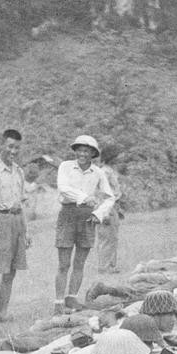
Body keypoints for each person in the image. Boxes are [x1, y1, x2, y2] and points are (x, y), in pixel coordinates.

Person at [54, 134, 117, 314]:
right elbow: (63, 188)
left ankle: (72, 298)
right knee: (64, 263)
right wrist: (84, 198)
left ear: (93, 154)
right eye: (80, 150)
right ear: (75, 151)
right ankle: (58, 302)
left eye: (87, 151)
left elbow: (109, 197)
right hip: (67, 213)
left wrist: (99, 213)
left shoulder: (98, 172)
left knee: (80, 262)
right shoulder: (65, 166)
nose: (83, 154)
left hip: (87, 217)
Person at [0, 129, 30, 322]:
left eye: (17, 148)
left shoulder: (18, 171)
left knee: (11, 270)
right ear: (1, 145)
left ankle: (3, 312)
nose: (13, 151)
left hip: (17, 221)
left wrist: (26, 232)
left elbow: (21, 204)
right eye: (10, 146)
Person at [95, 143, 123, 273]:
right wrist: (104, 213)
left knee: (113, 237)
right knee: (106, 238)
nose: (119, 158)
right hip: (106, 207)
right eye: (117, 156)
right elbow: (101, 193)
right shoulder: (104, 172)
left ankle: (111, 266)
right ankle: (104, 267)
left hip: (113, 206)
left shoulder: (110, 171)